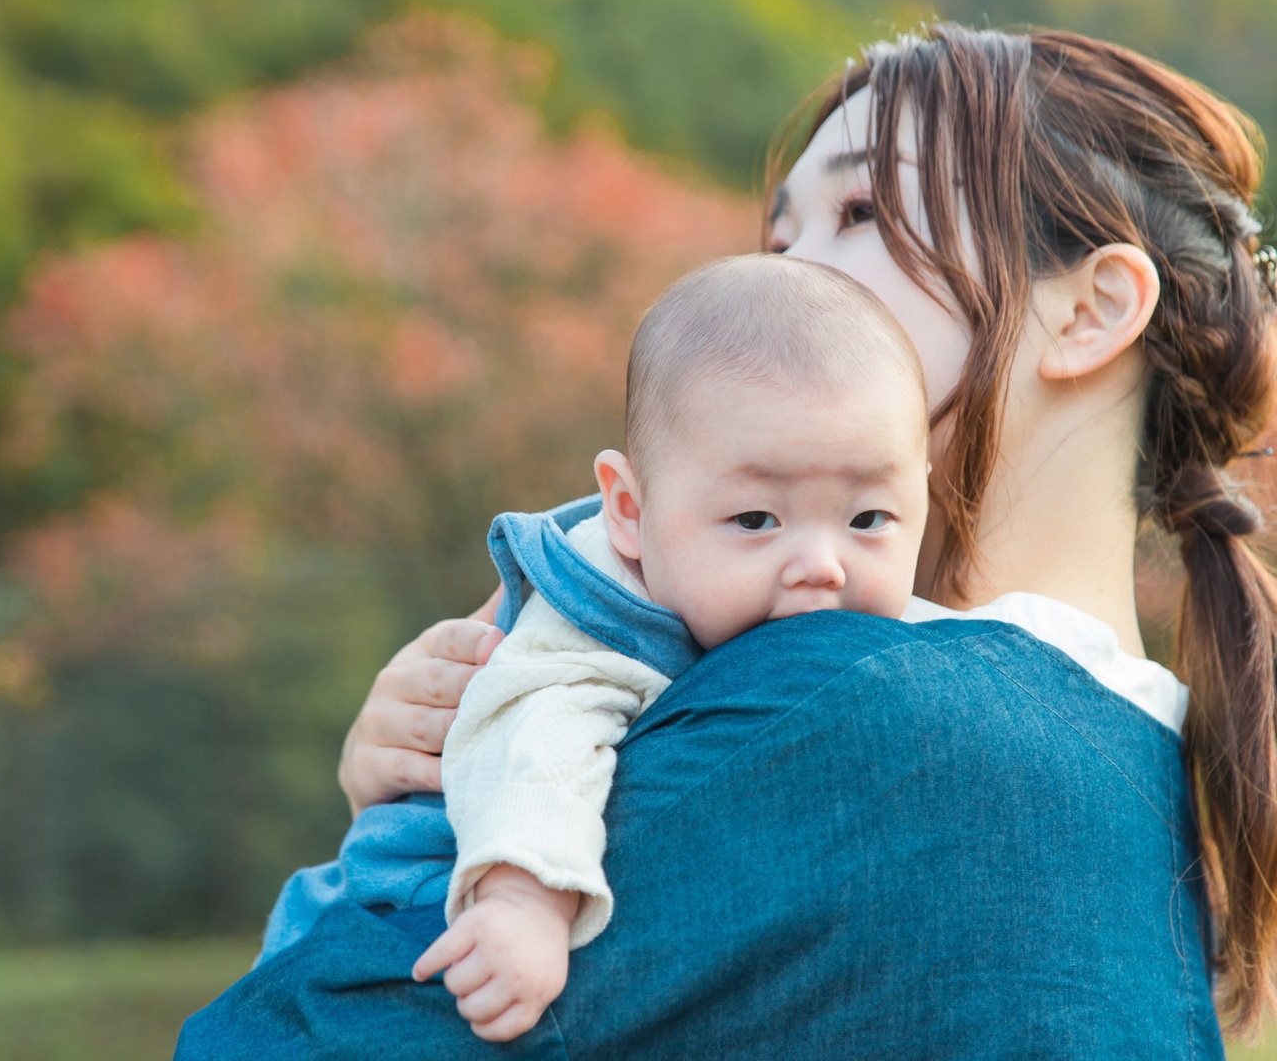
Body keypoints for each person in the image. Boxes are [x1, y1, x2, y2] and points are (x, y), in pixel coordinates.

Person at [180, 22, 1277, 1059]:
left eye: (863, 214)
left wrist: (377, 867)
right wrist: (441, 791)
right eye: (778, 241)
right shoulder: (1136, 761)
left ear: (1091, 310)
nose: (785, 287)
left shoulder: (857, 704)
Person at [256, 254, 934, 1042]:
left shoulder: (815, 607)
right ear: (628, 510)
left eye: (869, 519)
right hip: (420, 898)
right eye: (755, 520)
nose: (823, 565)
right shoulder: (601, 617)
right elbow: (534, 747)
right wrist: (524, 901)